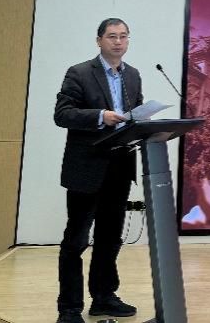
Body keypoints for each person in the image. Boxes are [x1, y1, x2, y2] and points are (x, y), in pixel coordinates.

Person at [54, 18, 143, 323]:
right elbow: (62, 114)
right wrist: (99, 116)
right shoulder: (79, 73)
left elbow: (134, 115)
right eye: (112, 36)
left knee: (110, 238)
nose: (118, 42)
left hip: (120, 167)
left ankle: (104, 297)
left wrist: (142, 123)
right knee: (76, 240)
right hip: (86, 168)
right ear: (99, 41)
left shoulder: (133, 75)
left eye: (123, 36)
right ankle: (69, 309)